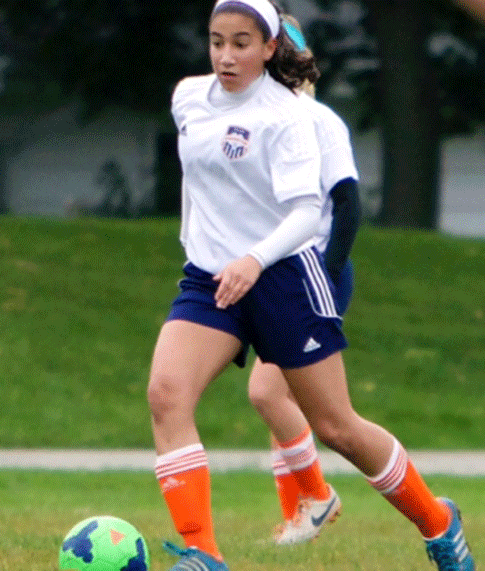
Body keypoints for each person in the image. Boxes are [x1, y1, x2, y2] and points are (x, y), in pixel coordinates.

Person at [146, 1, 475, 570]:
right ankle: (202, 555)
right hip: (211, 281)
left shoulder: (290, 116)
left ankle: (439, 523)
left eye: (241, 43)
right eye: (217, 41)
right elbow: (200, 179)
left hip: (286, 279)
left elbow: (306, 212)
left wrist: (254, 258)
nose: (226, 55)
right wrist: (204, 244)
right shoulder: (187, 98)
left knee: (338, 428)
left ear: (270, 48)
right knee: (166, 396)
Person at [246, 13, 361, 546]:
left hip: (315, 273)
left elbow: (348, 207)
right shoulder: (259, 121)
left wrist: (325, 278)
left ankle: (318, 497)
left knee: (270, 392)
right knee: (284, 401)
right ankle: (298, 515)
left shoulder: (317, 121)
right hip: (277, 274)